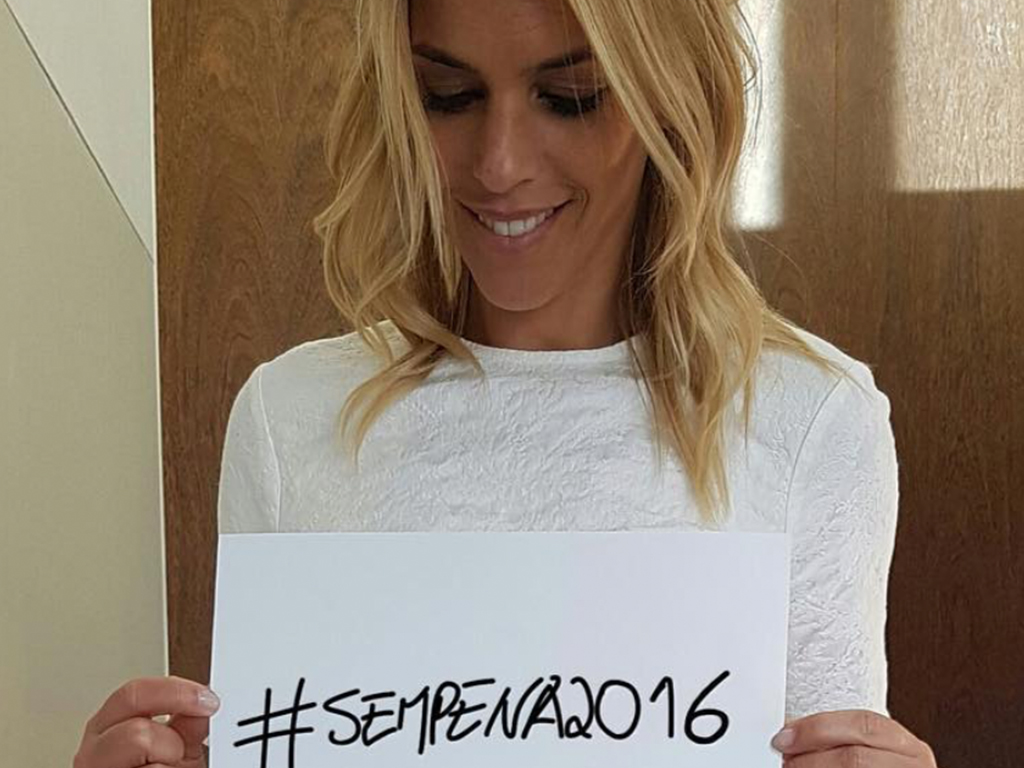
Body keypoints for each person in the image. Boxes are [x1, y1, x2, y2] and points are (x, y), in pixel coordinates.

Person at [74, 0, 940, 766]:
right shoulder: (291, 419)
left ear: (669, 96)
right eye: (448, 95)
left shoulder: (810, 424)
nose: (499, 163)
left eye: (570, 97)